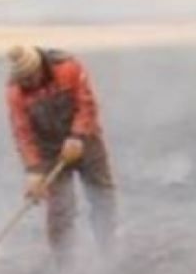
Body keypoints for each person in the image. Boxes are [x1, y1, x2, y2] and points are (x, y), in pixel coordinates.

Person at [6, 46, 118, 257]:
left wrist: (77, 136)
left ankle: (108, 249)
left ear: (40, 67)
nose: (29, 84)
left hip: (87, 141)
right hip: (49, 151)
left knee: (102, 195)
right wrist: (34, 170)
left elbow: (86, 104)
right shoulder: (15, 92)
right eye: (24, 81)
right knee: (59, 211)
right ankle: (64, 264)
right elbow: (22, 133)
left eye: (31, 78)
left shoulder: (68, 68)